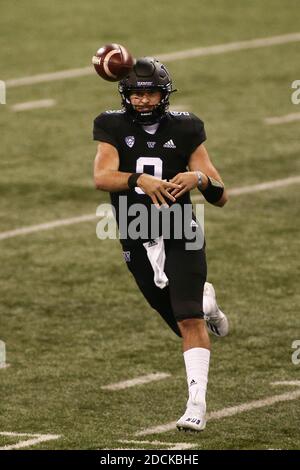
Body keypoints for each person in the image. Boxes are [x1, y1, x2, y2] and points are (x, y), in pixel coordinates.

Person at [93, 57, 229, 432]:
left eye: (149, 92)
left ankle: (196, 404)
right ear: (125, 95)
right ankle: (208, 303)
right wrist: (141, 180)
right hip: (136, 233)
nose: (142, 101)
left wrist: (198, 177)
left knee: (188, 318)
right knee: (177, 320)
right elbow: (102, 177)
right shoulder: (111, 125)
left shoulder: (185, 128)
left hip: (180, 228)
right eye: (135, 94)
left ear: (163, 94)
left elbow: (220, 196)